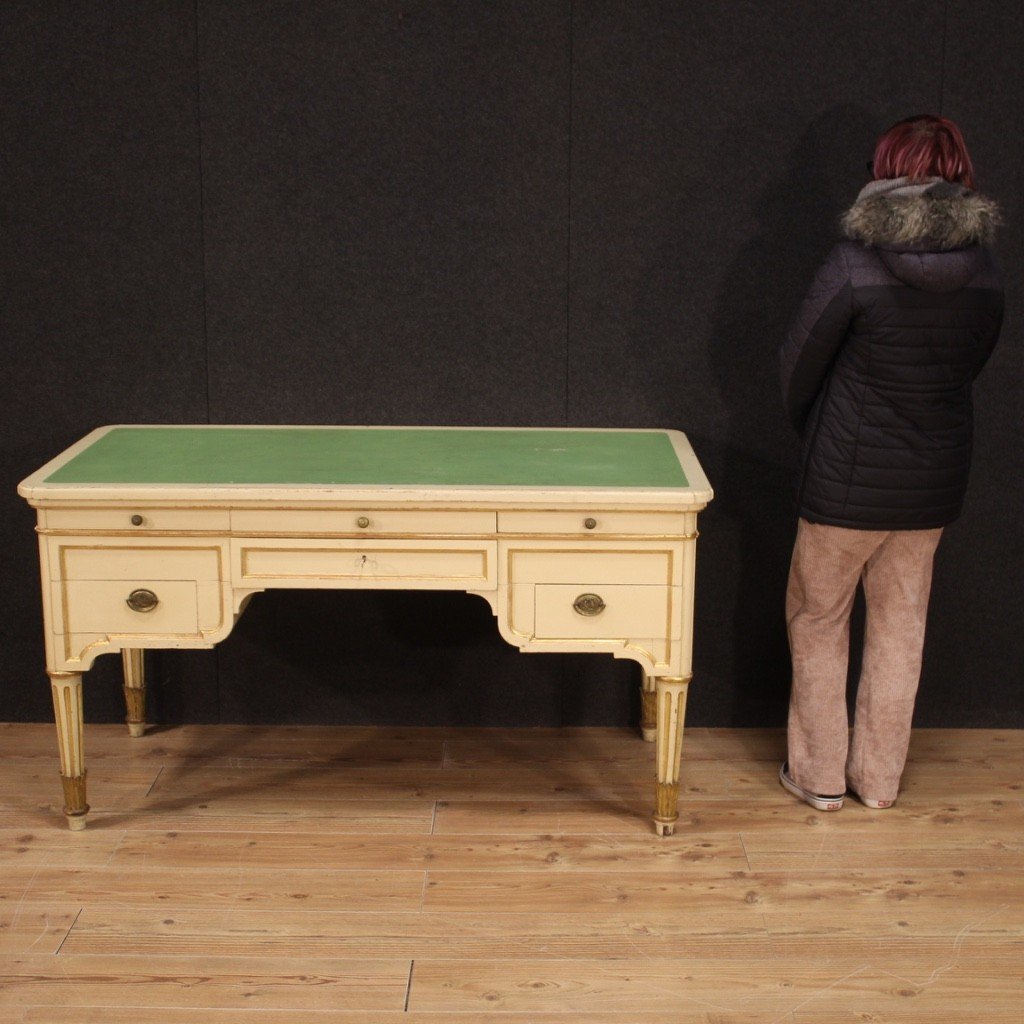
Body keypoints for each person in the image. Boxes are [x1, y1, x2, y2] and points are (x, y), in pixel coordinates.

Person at [777, 114, 1004, 811]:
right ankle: (878, 783)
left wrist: (814, 428)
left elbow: (798, 366)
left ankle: (817, 779)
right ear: (959, 175)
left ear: (887, 171)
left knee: (818, 618)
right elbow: (968, 368)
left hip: (845, 484)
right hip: (932, 484)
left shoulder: (853, 263)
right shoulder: (986, 274)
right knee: (902, 626)